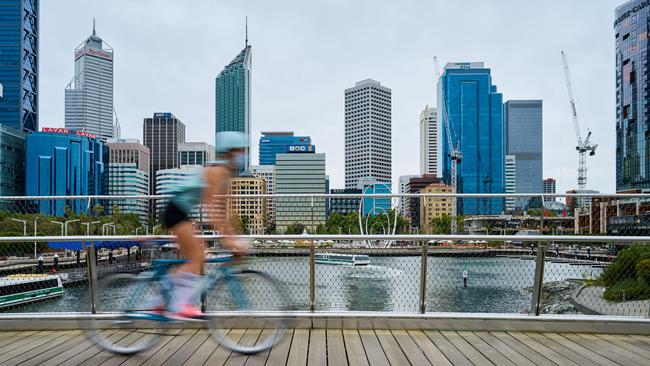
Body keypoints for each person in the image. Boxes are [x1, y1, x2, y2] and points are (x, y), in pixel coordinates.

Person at [159, 131, 250, 320]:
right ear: (230, 152)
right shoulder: (217, 172)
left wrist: (235, 238)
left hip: (182, 212)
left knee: (198, 257)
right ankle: (177, 304)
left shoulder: (224, 174)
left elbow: (227, 213)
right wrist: (228, 240)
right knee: (197, 258)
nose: (242, 156)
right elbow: (212, 208)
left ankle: (165, 300)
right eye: (240, 151)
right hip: (175, 211)